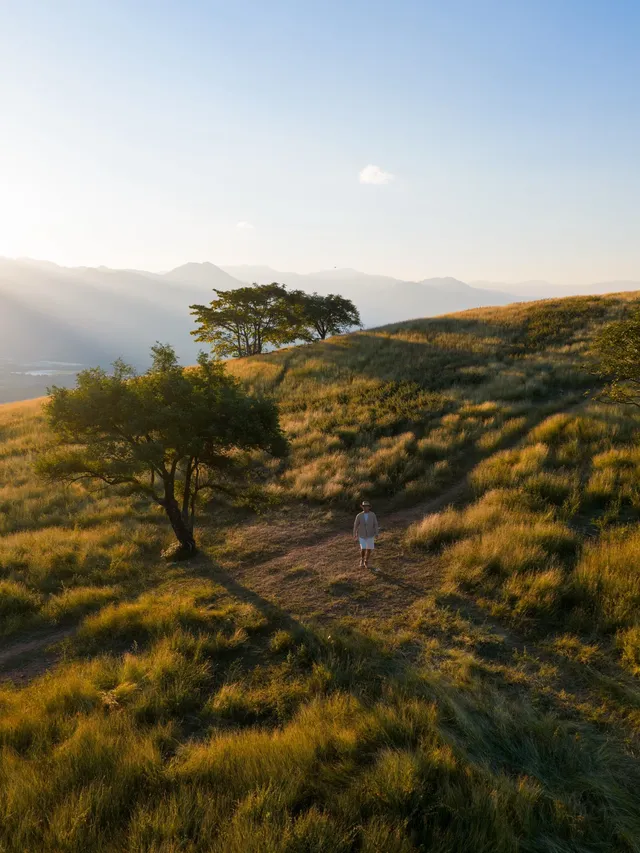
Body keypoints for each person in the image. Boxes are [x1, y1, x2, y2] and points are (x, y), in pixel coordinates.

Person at [353, 500, 379, 571]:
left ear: (369, 507)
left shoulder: (372, 514)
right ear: (362, 507)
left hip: (370, 534)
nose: (365, 508)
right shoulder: (359, 515)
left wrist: (377, 533)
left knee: (369, 549)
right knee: (363, 548)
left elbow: (375, 524)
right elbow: (356, 525)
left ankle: (366, 561)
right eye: (364, 506)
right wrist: (354, 533)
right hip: (362, 534)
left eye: (366, 506)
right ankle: (362, 559)